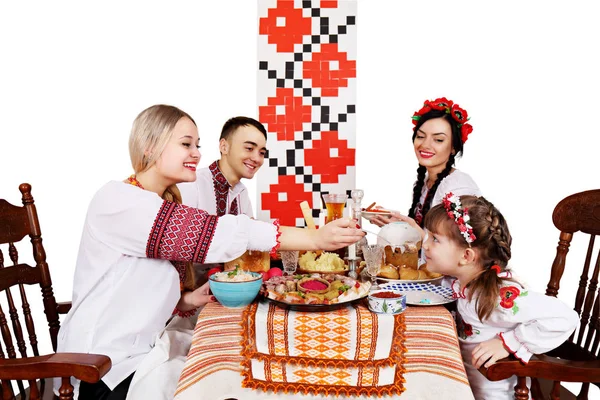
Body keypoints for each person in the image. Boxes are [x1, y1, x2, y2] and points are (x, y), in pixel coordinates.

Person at [55, 104, 364, 400]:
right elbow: (216, 232)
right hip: (100, 370)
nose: (197, 153)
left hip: (144, 351)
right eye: (186, 144)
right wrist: (315, 239)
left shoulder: (161, 200)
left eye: (197, 145)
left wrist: (187, 300)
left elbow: (137, 287)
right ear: (149, 146)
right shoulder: (119, 200)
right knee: (227, 382)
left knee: (238, 364)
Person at [422, 193, 578, 399]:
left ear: (466, 256)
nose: (425, 245)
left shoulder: (499, 297)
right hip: (463, 386)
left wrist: (509, 342)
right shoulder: (464, 282)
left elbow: (566, 317)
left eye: (434, 239)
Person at [370, 97, 481, 240]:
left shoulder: (458, 187)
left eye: (438, 140)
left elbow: (459, 249)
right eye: (421, 136)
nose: (425, 145)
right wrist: (399, 225)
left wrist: (414, 230)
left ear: (454, 147)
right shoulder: (425, 183)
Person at [177, 116, 267, 217]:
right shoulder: (192, 184)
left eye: (262, 153)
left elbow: (251, 230)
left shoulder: (242, 193)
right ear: (224, 147)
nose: (257, 159)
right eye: (249, 148)